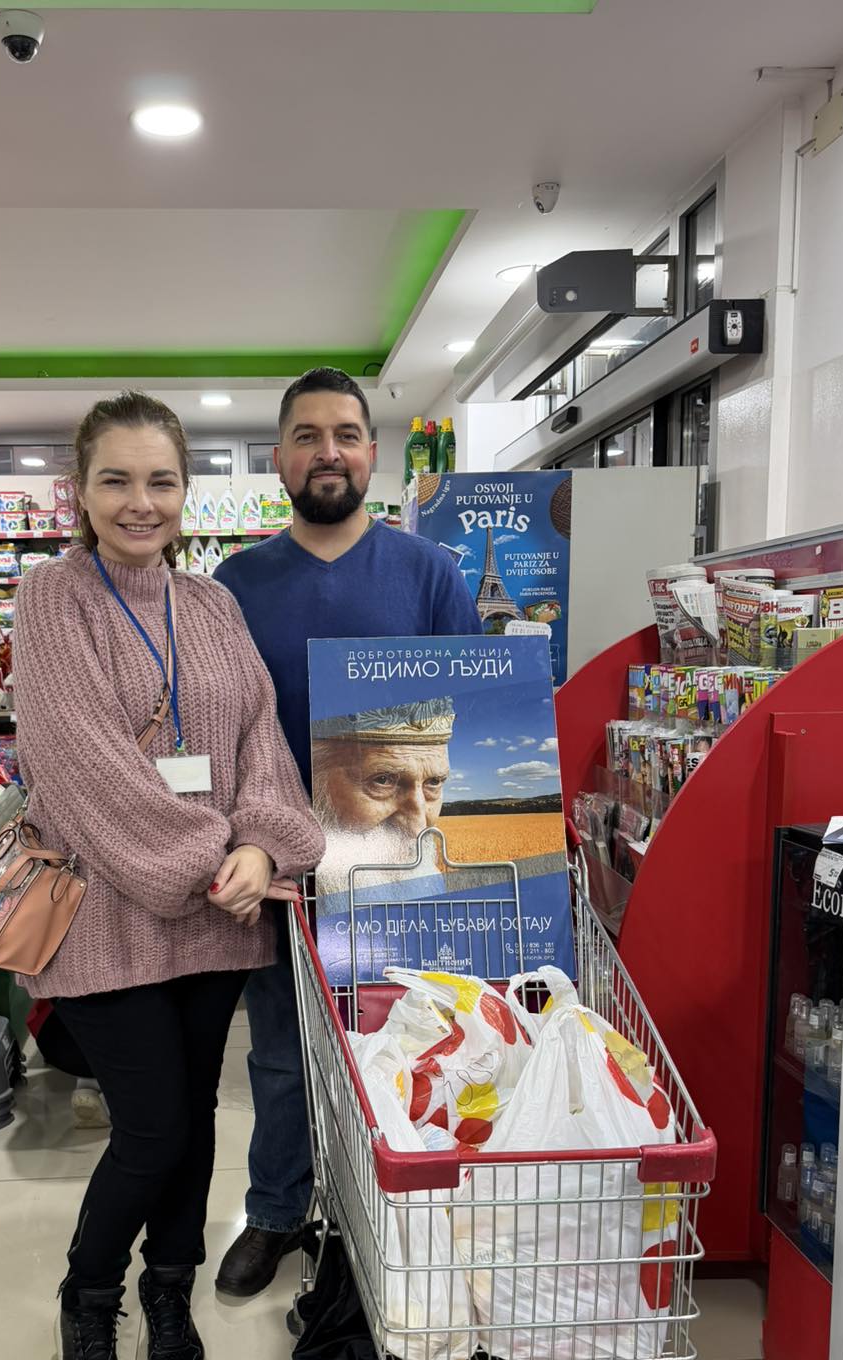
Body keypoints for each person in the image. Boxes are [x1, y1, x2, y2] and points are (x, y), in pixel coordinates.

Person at [14, 392, 323, 1360]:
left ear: (186, 490)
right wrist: (211, 857)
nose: (139, 502)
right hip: (107, 916)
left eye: (160, 480)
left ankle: (168, 1290)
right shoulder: (52, 598)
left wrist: (261, 843)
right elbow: (78, 764)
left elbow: (260, 741)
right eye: (116, 480)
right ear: (81, 490)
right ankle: (87, 1298)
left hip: (214, 917)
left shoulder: (212, 605)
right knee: (150, 1129)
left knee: (193, 1126)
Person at [213, 367, 482, 1297]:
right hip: (282, 869)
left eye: (346, 434)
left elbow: (473, 712)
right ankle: (276, 1211)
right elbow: (216, 730)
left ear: (372, 452)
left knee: (406, 1039)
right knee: (280, 1055)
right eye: (307, 435)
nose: (327, 452)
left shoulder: (428, 572)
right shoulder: (234, 585)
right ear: (279, 457)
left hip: (399, 867)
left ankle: (407, 1202)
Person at [310, 697, 456, 893]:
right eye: (383, 780)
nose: (418, 828)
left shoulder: (432, 882)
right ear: (312, 780)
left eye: (434, 782)